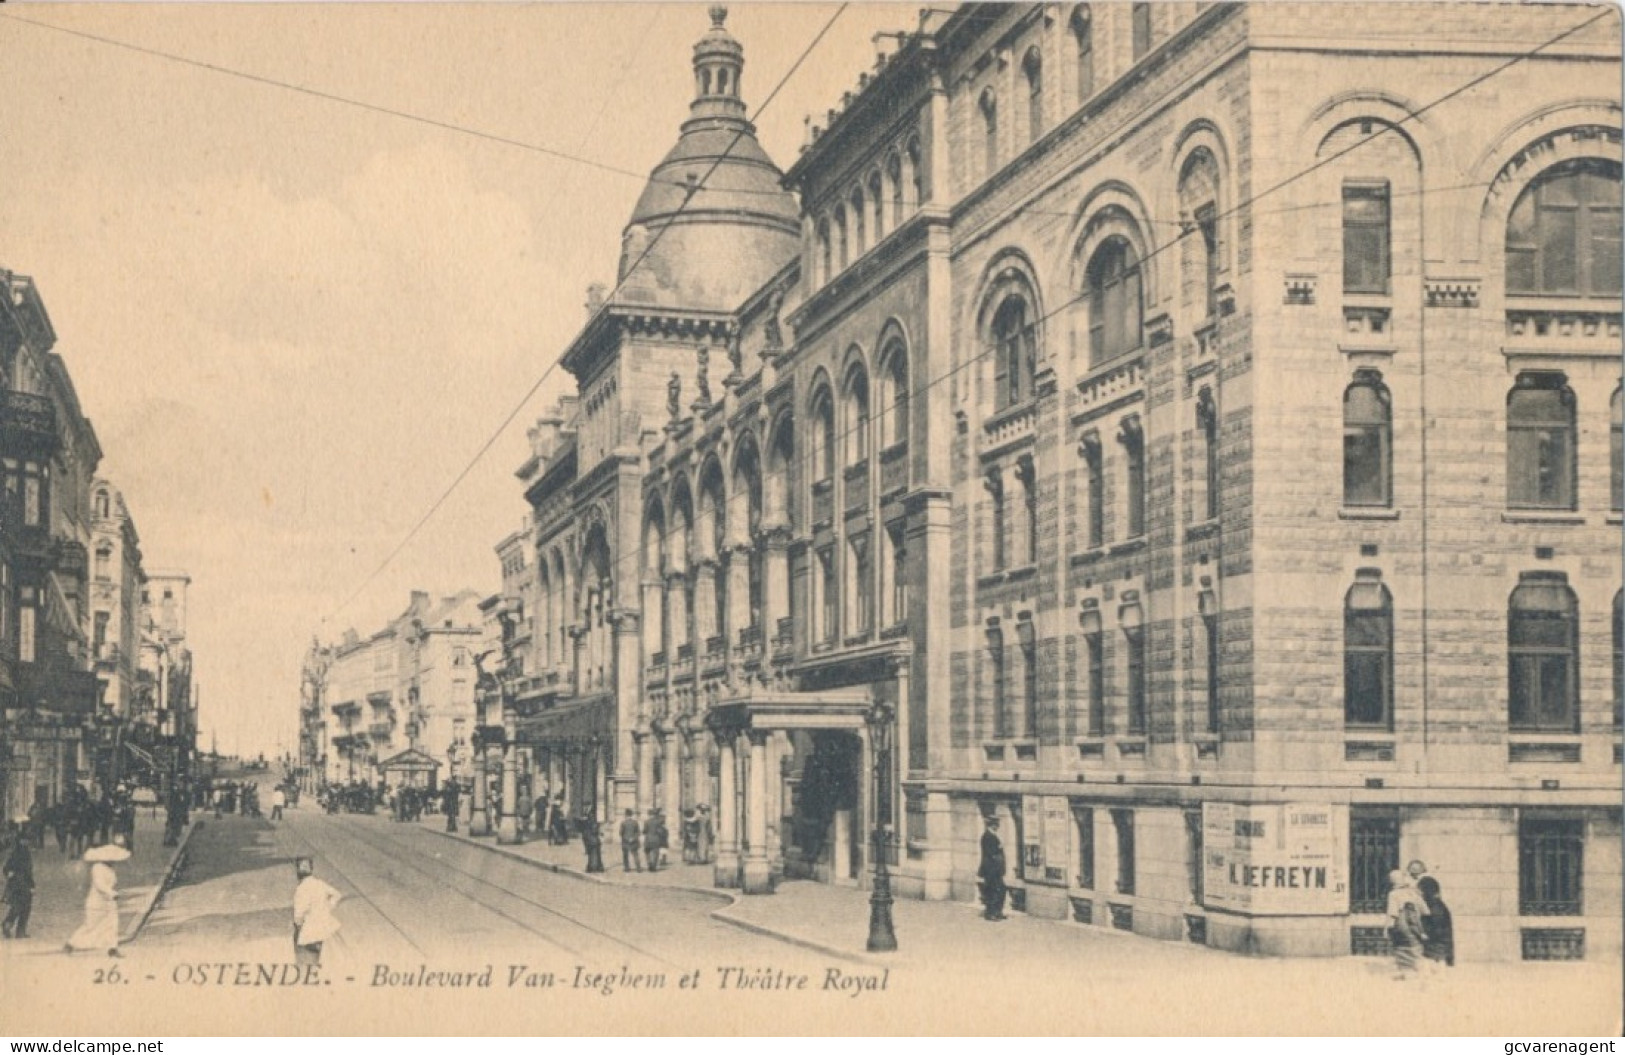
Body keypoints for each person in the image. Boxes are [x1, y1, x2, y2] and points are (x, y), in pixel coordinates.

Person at [65, 835, 127, 957]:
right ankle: (71, 943)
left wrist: (112, 894)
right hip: (96, 902)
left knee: (113, 924)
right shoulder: (97, 868)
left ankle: (112, 948)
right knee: (90, 925)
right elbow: (100, 885)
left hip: (108, 902)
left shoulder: (109, 869)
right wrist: (112, 893)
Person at [291, 857, 342, 966]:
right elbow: (337, 894)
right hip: (325, 925)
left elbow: (299, 914)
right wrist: (328, 907)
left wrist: (298, 927)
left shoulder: (301, 889)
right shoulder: (320, 883)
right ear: (311, 870)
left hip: (310, 929)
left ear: (298, 871)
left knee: (305, 959)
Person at [1386, 868, 1426, 980]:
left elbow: (1392, 914)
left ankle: (1408, 975)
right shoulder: (1413, 892)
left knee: (1402, 949)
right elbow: (1424, 910)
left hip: (1401, 926)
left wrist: (1387, 929)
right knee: (1415, 948)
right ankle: (1418, 973)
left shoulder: (1393, 894)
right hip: (1416, 925)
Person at [3, 826, 34, 939]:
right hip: (23, 883)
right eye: (25, 840)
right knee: (25, 907)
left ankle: (8, 923)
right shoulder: (24, 853)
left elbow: (6, 868)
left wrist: (9, 873)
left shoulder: (15, 852)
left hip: (14, 883)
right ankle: (20, 931)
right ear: (21, 841)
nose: (27, 842)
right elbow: (28, 871)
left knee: (17, 905)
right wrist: (32, 884)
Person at [1417, 875, 1455, 969]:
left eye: (1420, 890)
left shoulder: (1435, 907)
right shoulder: (1434, 904)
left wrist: (1424, 934)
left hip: (1436, 949)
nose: (1418, 893)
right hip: (1435, 948)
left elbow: (1437, 929)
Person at [978, 816, 1008, 921]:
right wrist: (999, 848)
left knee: (1000, 890)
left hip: (995, 869)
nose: (997, 826)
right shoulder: (987, 836)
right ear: (991, 825)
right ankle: (990, 913)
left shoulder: (992, 835)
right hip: (990, 869)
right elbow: (991, 854)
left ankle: (997, 911)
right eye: (996, 824)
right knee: (992, 890)